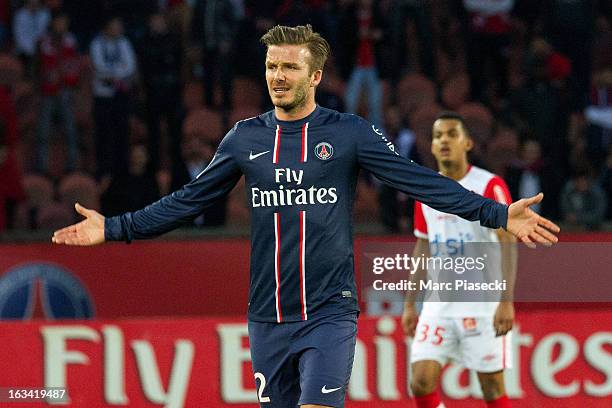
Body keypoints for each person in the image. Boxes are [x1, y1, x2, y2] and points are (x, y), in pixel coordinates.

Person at [52, 25, 559, 408]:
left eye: (290, 67)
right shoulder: (244, 139)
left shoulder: (349, 133)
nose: (278, 76)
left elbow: (417, 181)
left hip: (329, 312)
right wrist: (114, 227)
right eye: (272, 66)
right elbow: (189, 200)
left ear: (314, 76)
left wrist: (496, 214)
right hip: (267, 316)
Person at [402, 112, 517, 408]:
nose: (443, 140)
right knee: (420, 381)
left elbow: (507, 243)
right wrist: (410, 304)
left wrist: (505, 300)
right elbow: (423, 247)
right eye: (438, 135)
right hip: (438, 305)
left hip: (483, 304)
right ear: (431, 145)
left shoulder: (490, 186)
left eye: (451, 134)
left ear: (467, 143)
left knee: (492, 388)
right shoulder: (425, 189)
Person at [90, 16, 136, 181]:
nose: (118, 29)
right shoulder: (96, 44)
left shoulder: (124, 43)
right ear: (106, 27)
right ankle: (104, 170)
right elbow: (100, 68)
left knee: (121, 133)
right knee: (103, 134)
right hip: (102, 96)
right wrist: (118, 74)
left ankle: (121, 170)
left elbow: (130, 67)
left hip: (120, 96)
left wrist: (114, 76)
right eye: (115, 25)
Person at [35, 12, 80, 175]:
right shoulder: (43, 42)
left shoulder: (71, 41)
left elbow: (75, 65)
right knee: (43, 131)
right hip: (47, 91)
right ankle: (42, 167)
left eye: (64, 22)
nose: (62, 25)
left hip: (65, 90)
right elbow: (37, 68)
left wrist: (71, 83)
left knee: (70, 130)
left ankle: (72, 166)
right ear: (53, 23)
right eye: (59, 22)